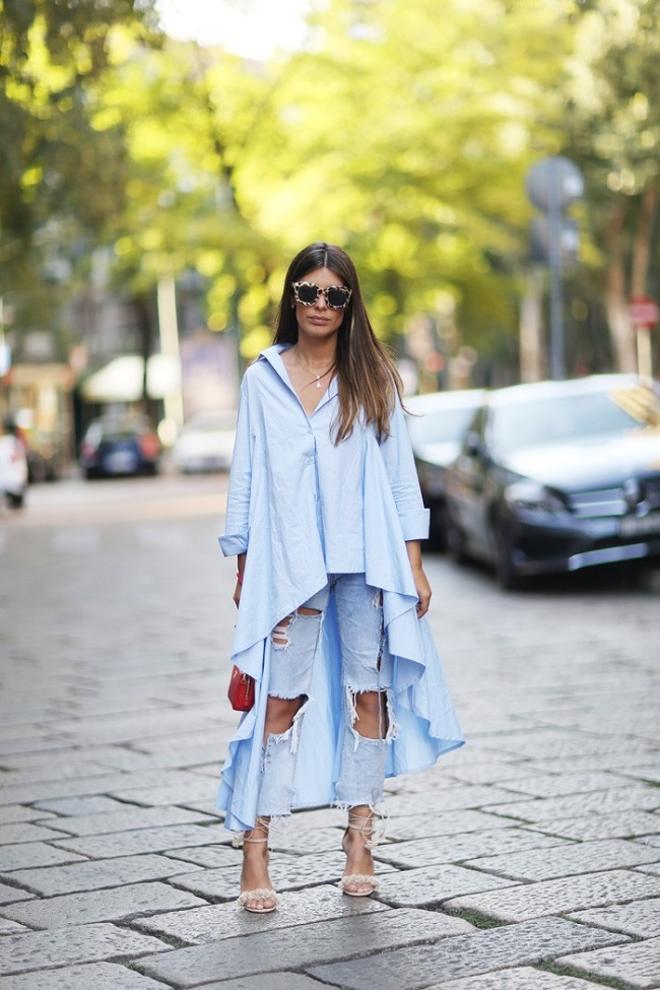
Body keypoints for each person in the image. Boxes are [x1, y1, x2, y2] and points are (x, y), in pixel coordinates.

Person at [217, 242, 465, 913]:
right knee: (279, 701)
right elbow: (245, 475)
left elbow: (399, 477)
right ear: (291, 299)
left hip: (365, 562)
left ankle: (360, 840)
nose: (320, 305)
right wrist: (244, 563)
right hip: (288, 564)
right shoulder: (262, 377)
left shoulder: (372, 377)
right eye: (309, 292)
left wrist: (413, 564)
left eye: (334, 295)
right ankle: (256, 847)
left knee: (369, 695)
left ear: (349, 305)